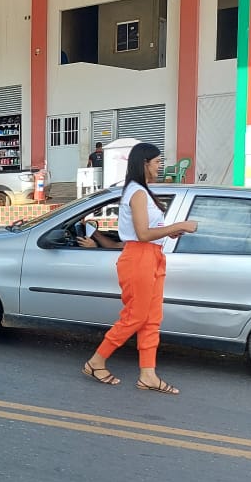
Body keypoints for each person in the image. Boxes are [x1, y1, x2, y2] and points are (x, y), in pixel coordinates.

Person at [82, 142, 198, 393]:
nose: (160, 166)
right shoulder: (137, 192)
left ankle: (148, 374)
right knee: (136, 316)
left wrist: (171, 231)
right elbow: (142, 234)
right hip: (139, 257)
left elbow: (149, 233)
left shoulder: (141, 191)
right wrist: (180, 225)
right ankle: (96, 361)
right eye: (156, 162)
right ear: (144, 163)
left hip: (152, 256)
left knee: (151, 319)